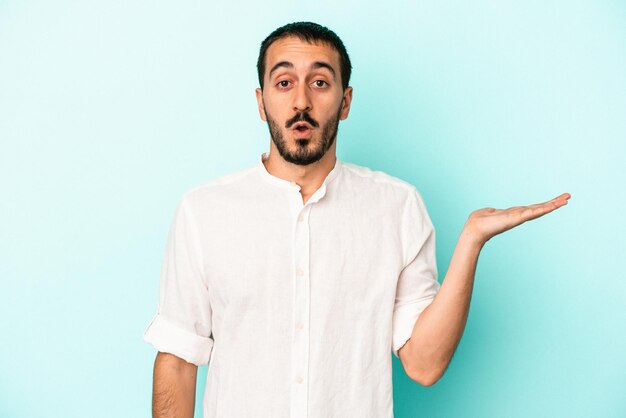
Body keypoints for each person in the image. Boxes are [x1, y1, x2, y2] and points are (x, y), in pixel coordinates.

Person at [143, 21, 570, 418]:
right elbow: (178, 359)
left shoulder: (397, 206)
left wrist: (471, 240)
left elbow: (423, 364)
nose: (301, 102)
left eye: (320, 82)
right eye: (284, 82)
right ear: (261, 101)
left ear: (345, 101)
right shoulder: (204, 211)